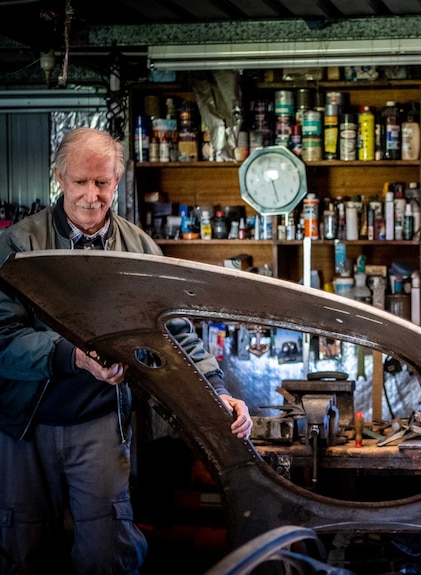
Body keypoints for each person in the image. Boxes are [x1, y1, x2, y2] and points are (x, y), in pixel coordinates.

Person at [0, 127, 253, 575]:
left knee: (107, 553)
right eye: (80, 181)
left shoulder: (138, 250)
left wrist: (217, 391)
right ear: (59, 177)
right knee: (25, 548)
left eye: (103, 182)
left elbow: (173, 334)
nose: (92, 195)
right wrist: (73, 356)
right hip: (26, 425)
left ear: (117, 180)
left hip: (99, 423)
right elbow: (2, 338)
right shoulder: (19, 246)